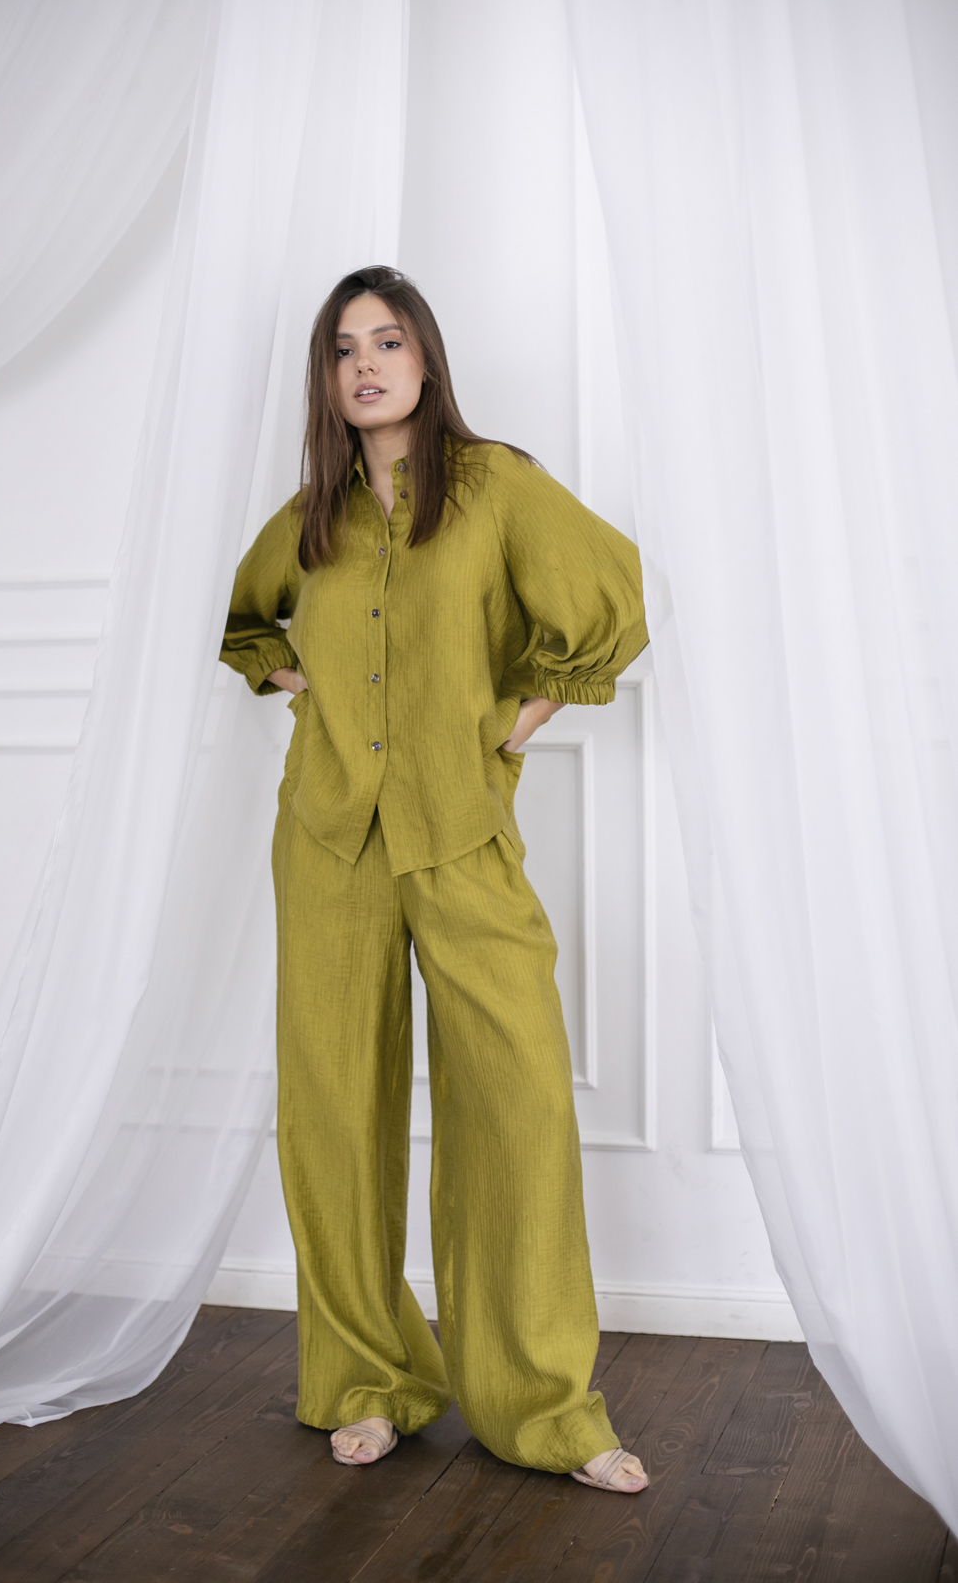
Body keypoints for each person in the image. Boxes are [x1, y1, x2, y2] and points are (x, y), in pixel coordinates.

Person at [220, 266, 650, 1494]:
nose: (364, 364)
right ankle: (367, 1383)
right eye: (342, 348)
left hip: (460, 834)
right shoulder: (308, 518)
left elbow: (610, 600)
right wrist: (300, 689)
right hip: (328, 839)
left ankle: (546, 1409)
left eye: (387, 340)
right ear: (325, 378)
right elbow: (249, 626)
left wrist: (514, 723)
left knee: (516, 1102)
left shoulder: (494, 486)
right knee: (332, 1111)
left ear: (424, 359)